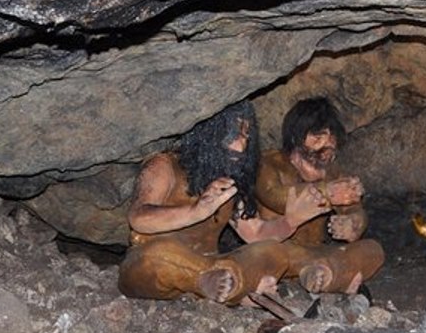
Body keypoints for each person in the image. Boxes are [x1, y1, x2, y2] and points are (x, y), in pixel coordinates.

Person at [117, 102, 332, 305]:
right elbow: (138, 218)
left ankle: (229, 287)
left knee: (273, 250)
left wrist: (292, 221)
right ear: (209, 134)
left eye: (247, 135)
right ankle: (232, 288)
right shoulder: (164, 166)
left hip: (215, 270)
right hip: (156, 265)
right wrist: (197, 210)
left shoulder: (229, 182)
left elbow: (256, 234)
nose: (242, 145)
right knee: (158, 255)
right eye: (234, 134)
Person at [254, 97, 385, 294]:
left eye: (331, 140)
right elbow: (274, 197)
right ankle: (334, 276)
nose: (326, 148)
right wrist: (328, 193)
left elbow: (354, 207)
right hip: (280, 250)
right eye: (317, 139)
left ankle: (323, 274)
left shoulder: (332, 171)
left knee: (373, 249)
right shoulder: (269, 164)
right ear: (296, 138)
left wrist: (354, 223)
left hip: (317, 251)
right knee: (278, 253)